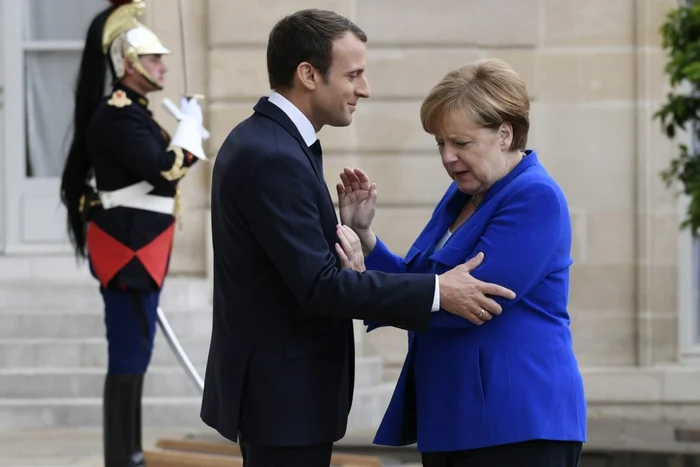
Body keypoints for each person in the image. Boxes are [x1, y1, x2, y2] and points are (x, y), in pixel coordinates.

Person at [201, 9, 516, 467]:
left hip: (284, 395)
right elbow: (319, 286)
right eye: (354, 74)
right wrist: (437, 290)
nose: (364, 88)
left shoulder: (277, 142)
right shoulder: (274, 154)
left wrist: (352, 232)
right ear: (308, 75)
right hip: (282, 398)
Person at [336, 59, 587, 467]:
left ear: (505, 133)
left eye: (461, 143)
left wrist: (361, 292)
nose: (448, 157)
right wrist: (366, 239)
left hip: (515, 424)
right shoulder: (464, 195)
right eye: (440, 144)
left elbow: (468, 304)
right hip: (455, 418)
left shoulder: (534, 196)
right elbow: (430, 285)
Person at [59, 1, 206, 466]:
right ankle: (123, 457)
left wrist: (184, 131)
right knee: (128, 352)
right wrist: (187, 133)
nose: (163, 64)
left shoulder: (134, 111)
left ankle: (127, 453)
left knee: (134, 351)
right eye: (154, 58)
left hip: (139, 247)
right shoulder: (119, 113)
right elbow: (165, 171)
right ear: (129, 64)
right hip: (130, 249)